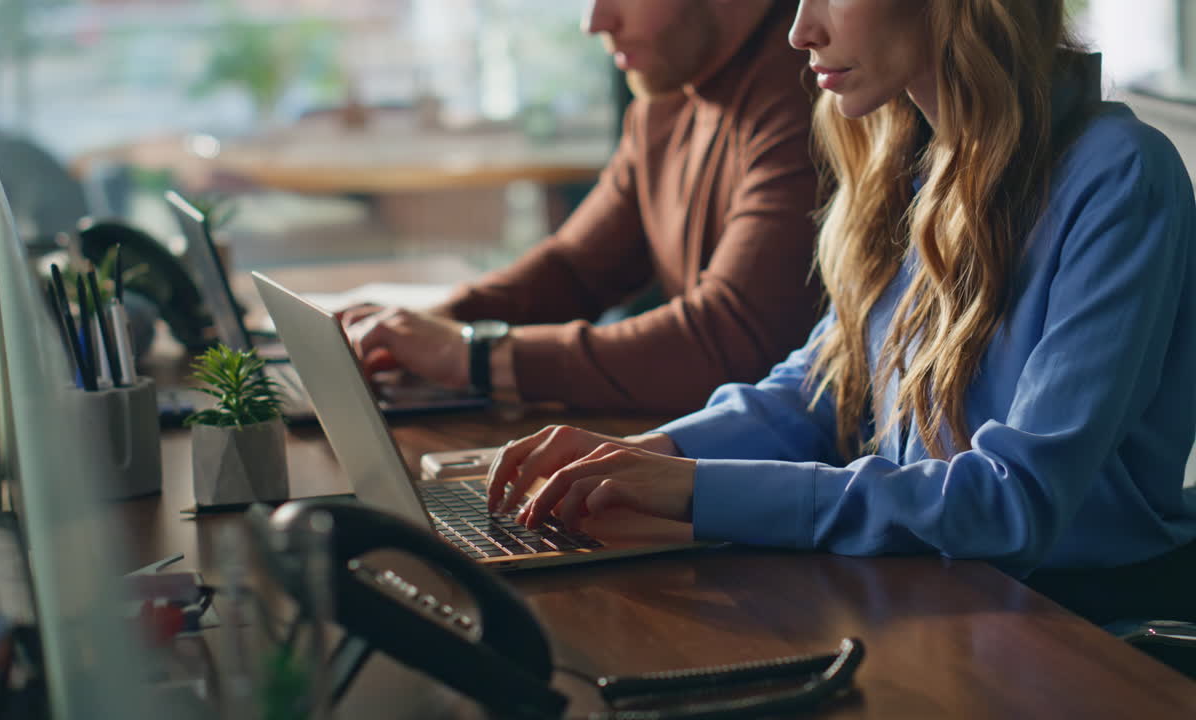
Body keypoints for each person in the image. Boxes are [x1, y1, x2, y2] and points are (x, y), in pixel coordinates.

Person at [485, 0, 1196, 623]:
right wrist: (646, 454)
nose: (800, 31)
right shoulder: (912, 162)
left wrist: (698, 490)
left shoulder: (1121, 174)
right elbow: (817, 393)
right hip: (937, 592)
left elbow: (1015, 504)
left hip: (1080, 623)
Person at [342, 0, 821, 414]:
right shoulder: (669, 94)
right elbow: (577, 269)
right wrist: (434, 323)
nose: (594, 21)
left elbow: (727, 343)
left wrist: (475, 355)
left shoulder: (809, 93)